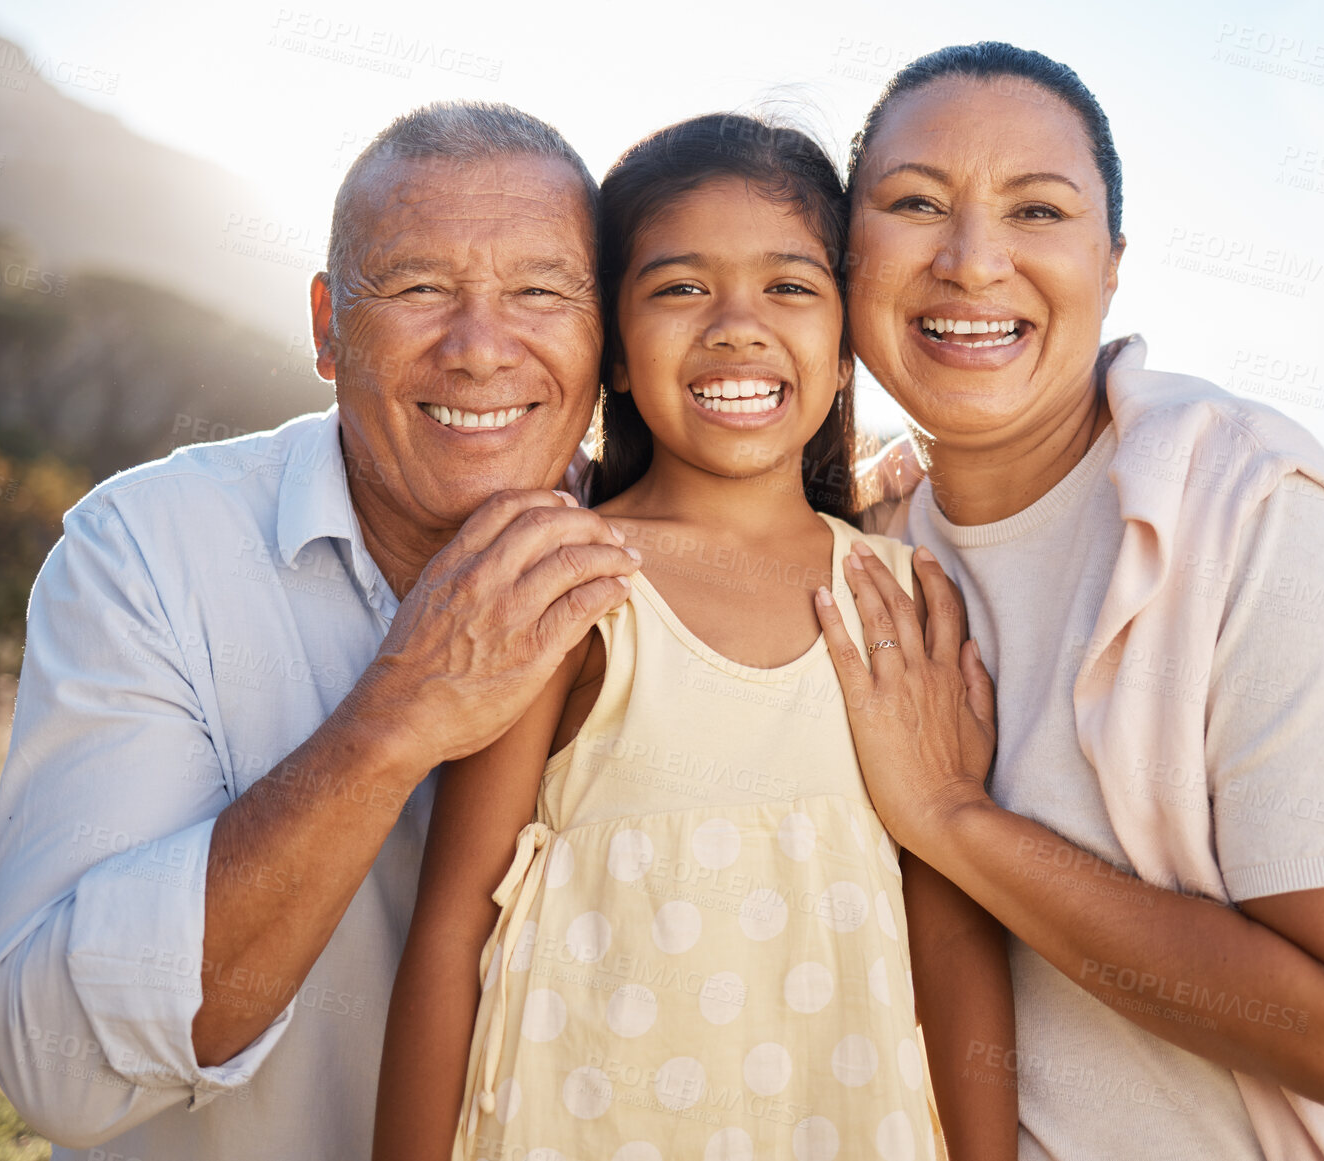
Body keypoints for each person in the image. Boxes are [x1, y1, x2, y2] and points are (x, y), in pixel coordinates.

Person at [812, 42, 1324, 1161]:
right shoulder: (862, 547)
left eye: (1037, 211)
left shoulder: (1243, 515)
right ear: (844, 253)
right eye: (915, 203)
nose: (972, 260)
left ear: (1109, 266)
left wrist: (955, 822)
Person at [0, 102, 642, 1160]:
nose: (479, 347)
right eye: (420, 288)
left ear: (605, 337)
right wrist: (393, 718)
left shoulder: (685, 573)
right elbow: (57, 1068)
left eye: (541, 292)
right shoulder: (143, 552)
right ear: (328, 325)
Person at [373, 113, 1017, 1161]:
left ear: (846, 346)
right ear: (614, 355)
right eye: (679, 287)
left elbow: (949, 926)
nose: (735, 326)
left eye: (790, 287)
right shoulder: (565, 577)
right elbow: (450, 932)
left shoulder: (897, 602)